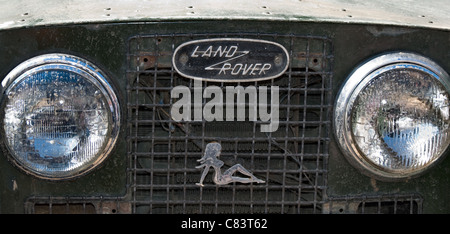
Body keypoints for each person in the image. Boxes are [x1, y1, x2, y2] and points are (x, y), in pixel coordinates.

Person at [196, 142, 265, 186]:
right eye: (218, 151)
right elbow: (205, 171)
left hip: (222, 176)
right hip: (218, 179)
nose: (219, 152)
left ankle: (254, 178)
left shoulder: (219, 164)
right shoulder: (211, 160)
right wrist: (201, 182)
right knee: (236, 178)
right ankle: (255, 179)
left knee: (238, 166)